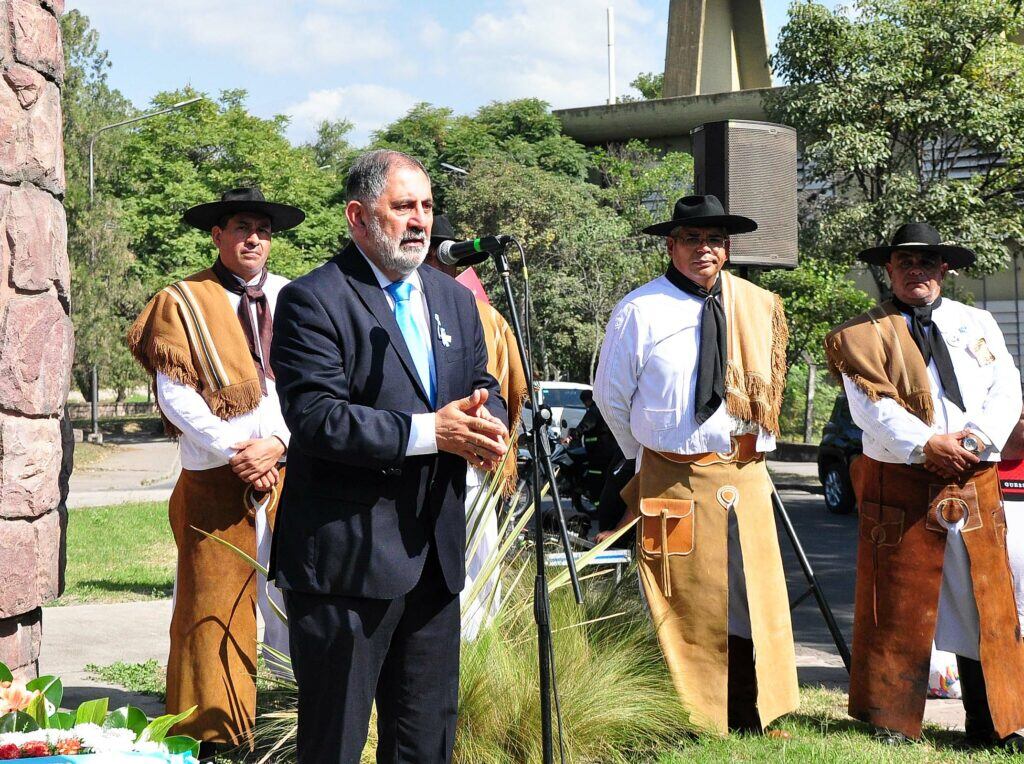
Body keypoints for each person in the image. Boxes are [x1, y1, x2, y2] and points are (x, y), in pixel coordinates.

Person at [269, 150, 509, 763]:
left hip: (434, 557)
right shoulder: (312, 299)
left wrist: (489, 424)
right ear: (358, 216)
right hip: (346, 566)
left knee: (426, 743)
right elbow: (317, 419)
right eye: (403, 207)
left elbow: (484, 382)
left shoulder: (454, 300)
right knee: (335, 745)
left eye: (427, 206)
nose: (421, 220)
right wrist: (433, 431)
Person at [594, 194, 797, 736]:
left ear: (727, 248)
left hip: (744, 474)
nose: (704, 249)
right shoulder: (640, 309)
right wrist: (650, 454)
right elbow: (610, 397)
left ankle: (755, 710)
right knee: (678, 593)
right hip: (673, 474)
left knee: (752, 592)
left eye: (715, 240)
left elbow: (771, 393)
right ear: (671, 245)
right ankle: (690, 715)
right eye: (692, 239)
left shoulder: (757, 306)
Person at [825, 222, 1024, 747]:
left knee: (987, 601)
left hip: (974, 475)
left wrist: (976, 441)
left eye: (928, 262)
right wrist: (928, 445)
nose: (917, 270)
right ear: (888, 270)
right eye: (905, 262)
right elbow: (872, 409)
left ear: (945, 269)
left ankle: (996, 724)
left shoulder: (978, 322)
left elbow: (1006, 388)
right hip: (901, 476)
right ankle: (891, 721)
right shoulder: (859, 335)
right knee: (894, 604)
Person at [127, 187, 302, 754]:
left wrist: (276, 444)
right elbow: (175, 394)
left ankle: (302, 716)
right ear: (217, 236)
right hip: (214, 477)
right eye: (242, 227)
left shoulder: (295, 298)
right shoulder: (184, 300)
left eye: (264, 230)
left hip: (287, 468)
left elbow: (317, 388)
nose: (255, 238)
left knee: (303, 597)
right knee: (209, 606)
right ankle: (214, 733)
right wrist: (237, 450)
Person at [423, 214, 528, 640]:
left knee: (477, 567)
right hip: (415, 455)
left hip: (475, 461)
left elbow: (509, 391)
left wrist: (493, 426)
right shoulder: (390, 305)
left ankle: (478, 669)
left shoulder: (482, 314)